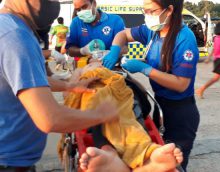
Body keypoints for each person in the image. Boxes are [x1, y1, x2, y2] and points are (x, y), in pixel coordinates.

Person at [0, 0, 119, 171]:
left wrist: (69, 86)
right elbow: (50, 118)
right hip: (7, 162)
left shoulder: (7, 27)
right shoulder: (16, 36)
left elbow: (24, 78)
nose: (53, 4)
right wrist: (102, 114)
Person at [102, 0, 200, 171]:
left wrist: (145, 69)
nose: (146, 15)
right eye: (144, 10)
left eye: (151, 11)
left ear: (169, 10)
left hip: (180, 113)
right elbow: (122, 34)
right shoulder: (152, 31)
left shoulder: (184, 39)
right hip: (160, 105)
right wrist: (115, 50)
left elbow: (181, 84)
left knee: (174, 164)